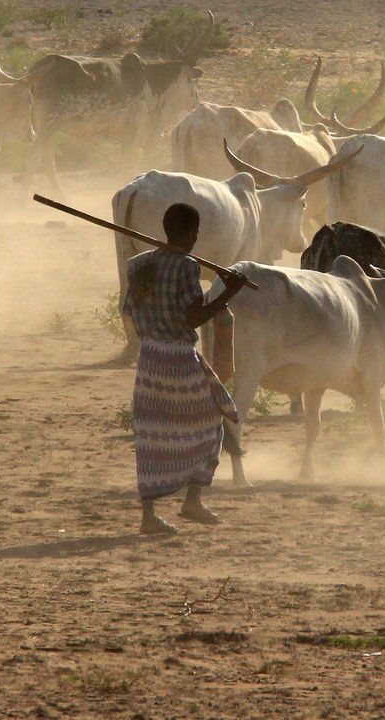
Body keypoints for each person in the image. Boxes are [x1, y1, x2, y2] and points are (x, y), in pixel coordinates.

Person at [121, 202, 248, 536]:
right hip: (178, 358)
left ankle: (149, 516)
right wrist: (228, 292)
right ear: (192, 233)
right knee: (211, 424)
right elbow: (193, 318)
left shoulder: (139, 264)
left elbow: (130, 310)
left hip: (149, 358)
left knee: (151, 434)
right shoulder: (187, 266)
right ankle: (192, 499)